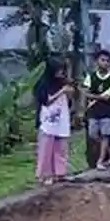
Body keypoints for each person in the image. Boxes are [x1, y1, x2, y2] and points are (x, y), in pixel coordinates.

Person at [81, 49, 110, 169]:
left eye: (107, 61)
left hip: (108, 112)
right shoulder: (91, 77)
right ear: (97, 61)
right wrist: (99, 97)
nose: (105, 63)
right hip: (94, 111)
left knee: (106, 135)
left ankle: (100, 161)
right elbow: (85, 93)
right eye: (102, 60)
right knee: (93, 134)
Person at [34, 57, 74, 185]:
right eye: (58, 70)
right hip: (48, 121)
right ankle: (44, 175)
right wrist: (61, 91)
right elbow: (46, 101)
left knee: (61, 147)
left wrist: (69, 93)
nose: (60, 73)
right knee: (46, 149)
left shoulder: (63, 82)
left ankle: (60, 173)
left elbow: (70, 101)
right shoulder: (43, 83)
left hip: (61, 119)